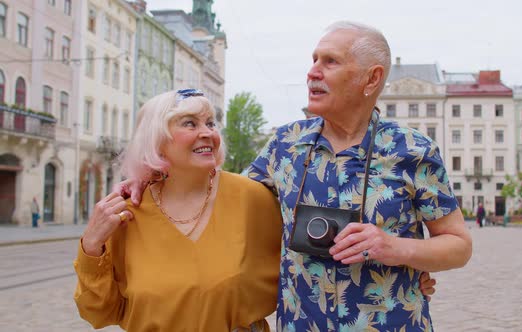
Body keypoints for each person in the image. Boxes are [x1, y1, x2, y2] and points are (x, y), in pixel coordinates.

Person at [120, 23, 450, 331]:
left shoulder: (413, 150)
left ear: (371, 78)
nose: (312, 72)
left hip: (392, 322)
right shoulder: (286, 144)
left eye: (330, 62)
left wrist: (395, 248)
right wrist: (150, 174)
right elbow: (220, 192)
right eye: (314, 60)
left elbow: (457, 244)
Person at [73, 89, 284, 331]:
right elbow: (99, 312)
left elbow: (304, 266)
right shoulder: (128, 214)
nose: (207, 133)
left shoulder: (252, 197)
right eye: (190, 124)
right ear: (156, 141)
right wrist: (91, 246)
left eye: (210, 123)